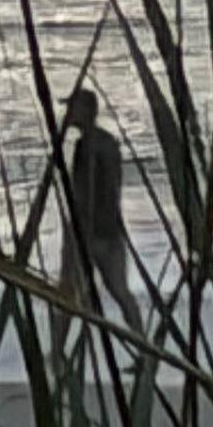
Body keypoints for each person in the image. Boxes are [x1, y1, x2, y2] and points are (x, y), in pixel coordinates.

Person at [57, 83, 140, 334]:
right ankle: (145, 348)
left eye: (72, 108)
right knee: (119, 291)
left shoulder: (91, 146)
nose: (68, 113)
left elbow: (94, 192)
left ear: (84, 111)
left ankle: (57, 354)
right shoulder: (105, 143)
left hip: (92, 232)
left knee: (68, 293)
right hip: (108, 229)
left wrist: (80, 231)